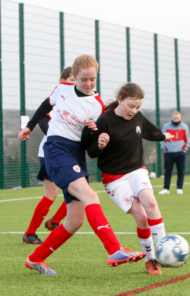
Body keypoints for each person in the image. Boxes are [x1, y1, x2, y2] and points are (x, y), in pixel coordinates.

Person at [18, 55, 145, 275]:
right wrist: (29, 127)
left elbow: (91, 150)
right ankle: (114, 249)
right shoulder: (62, 89)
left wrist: (96, 137)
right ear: (74, 77)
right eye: (83, 79)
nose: (88, 84)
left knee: (75, 220)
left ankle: (35, 258)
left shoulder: (97, 106)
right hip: (57, 148)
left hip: (76, 155)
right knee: (91, 197)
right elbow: (44, 106)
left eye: (92, 79)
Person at [83, 83, 174, 275]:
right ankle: (150, 260)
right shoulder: (105, 120)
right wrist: (100, 144)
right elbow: (91, 152)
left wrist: (164, 136)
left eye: (138, 107)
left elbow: (150, 131)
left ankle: (164, 250)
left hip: (136, 170)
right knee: (141, 217)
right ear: (120, 100)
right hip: (114, 178)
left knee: (151, 202)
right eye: (131, 106)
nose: (134, 111)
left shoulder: (138, 117)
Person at [19, 67, 75, 245]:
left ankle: (55, 221)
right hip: (51, 152)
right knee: (52, 193)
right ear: (63, 80)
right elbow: (45, 124)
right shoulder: (57, 103)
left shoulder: (80, 103)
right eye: (72, 79)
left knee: (80, 192)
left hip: (69, 153)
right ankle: (30, 233)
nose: (75, 83)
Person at [159, 111, 190, 195]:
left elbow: (188, 140)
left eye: (177, 118)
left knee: (181, 171)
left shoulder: (185, 127)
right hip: (168, 153)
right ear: (171, 118)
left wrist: (184, 150)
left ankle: (179, 188)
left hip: (180, 153)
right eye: (174, 118)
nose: (176, 120)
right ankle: (166, 189)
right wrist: (165, 149)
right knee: (167, 171)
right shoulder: (166, 126)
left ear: (180, 118)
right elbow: (162, 138)